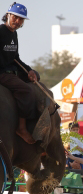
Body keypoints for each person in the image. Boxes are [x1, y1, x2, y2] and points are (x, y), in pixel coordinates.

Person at [0, 2, 38, 144]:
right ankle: (21, 128)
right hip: (2, 73)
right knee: (26, 90)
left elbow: (15, 58)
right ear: (8, 15)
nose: (18, 21)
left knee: (36, 76)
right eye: (15, 17)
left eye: (21, 19)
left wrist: (29, 71)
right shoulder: (1, 31)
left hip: (12, 69)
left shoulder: (14, 34)